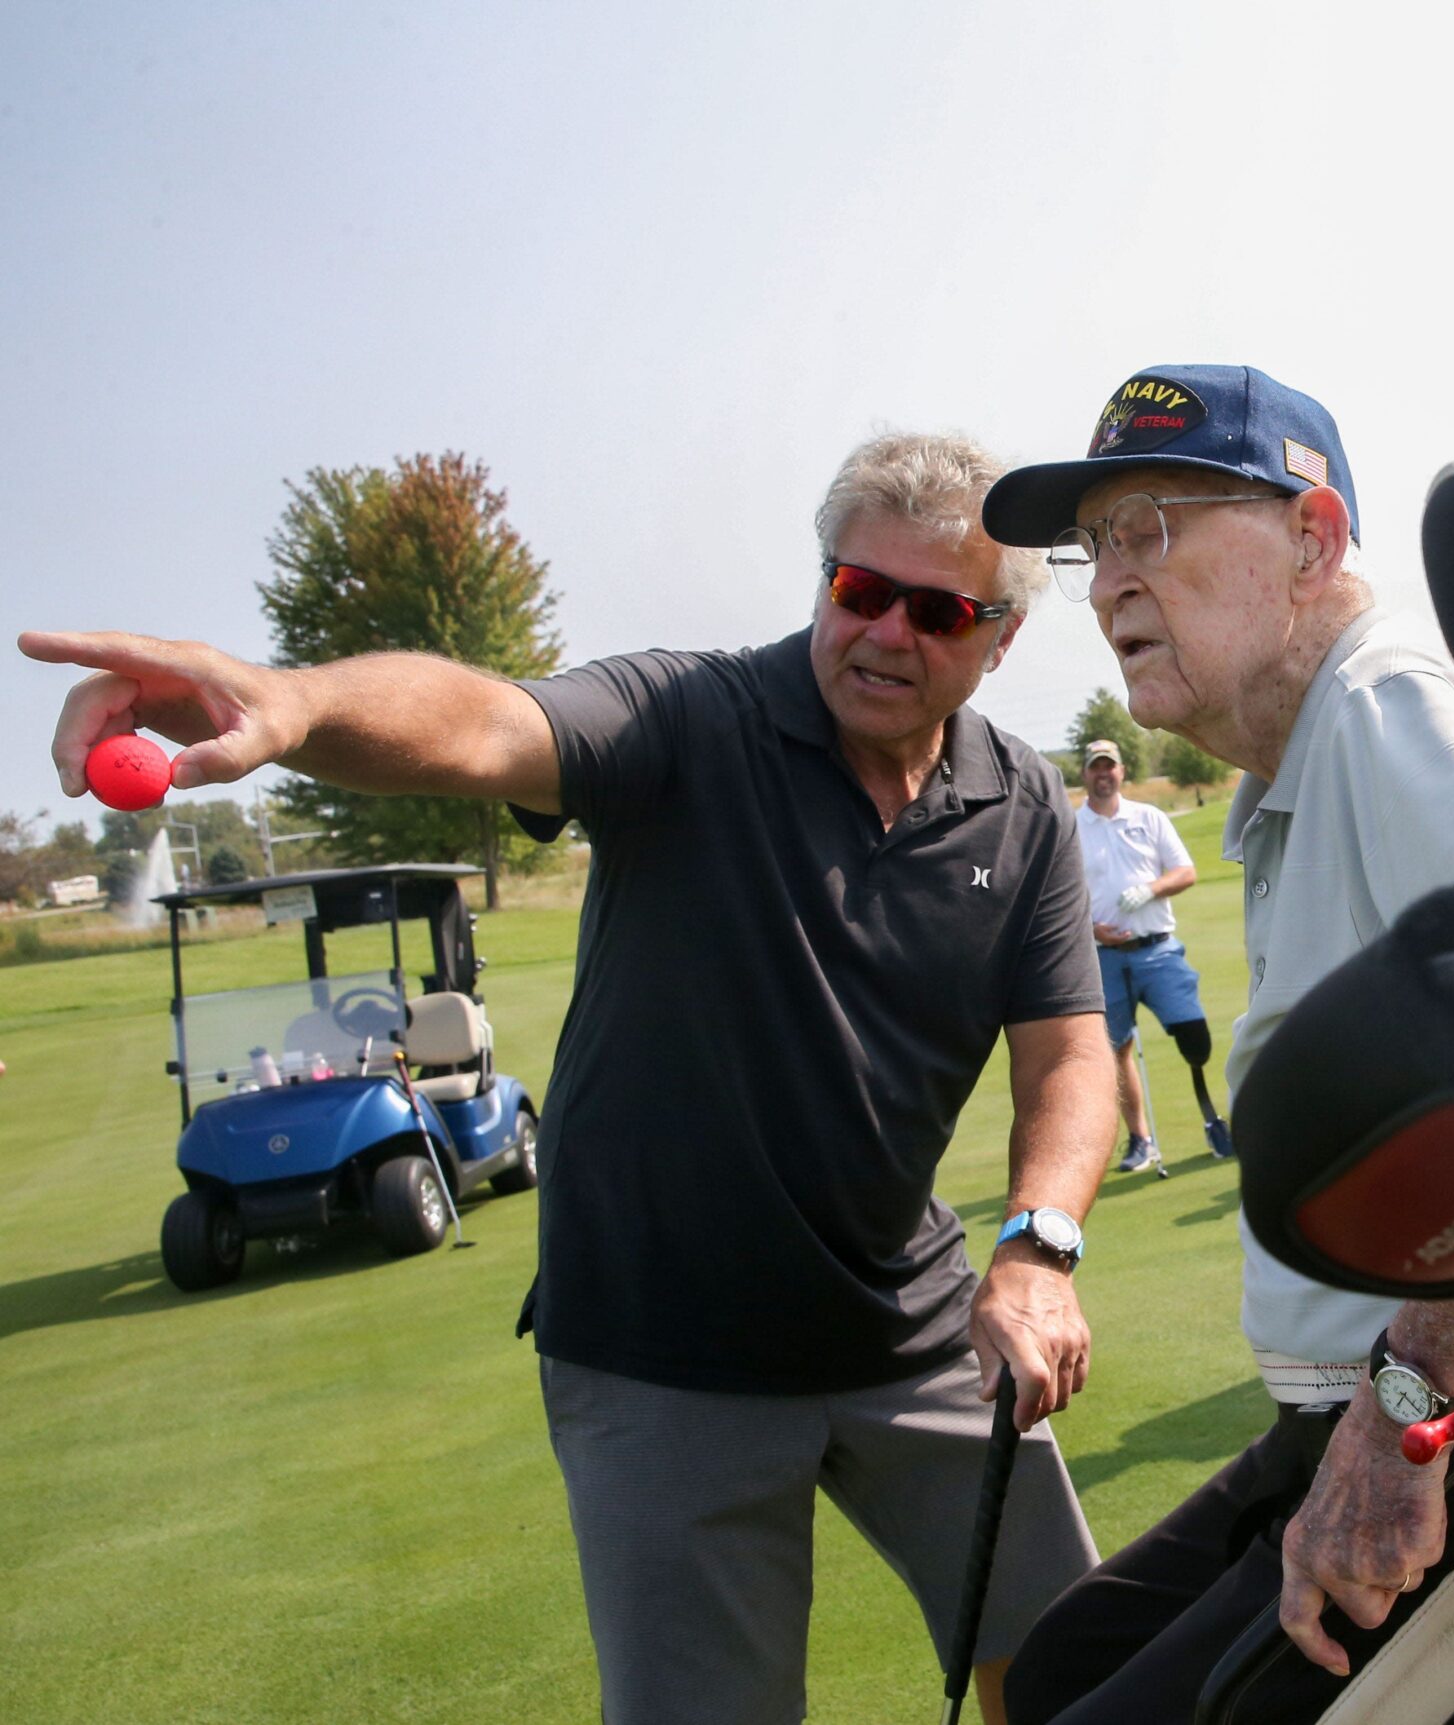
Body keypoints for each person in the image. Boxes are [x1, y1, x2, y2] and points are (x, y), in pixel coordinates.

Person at [20, 431, 1117, 1725]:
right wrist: (296, 704)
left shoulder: (1024, 805)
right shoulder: (690, 716)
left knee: (1074, 1666)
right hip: (663, 1346)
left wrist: (1039, 1247)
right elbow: (488, 722)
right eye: (857, 591)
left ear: (999, 641)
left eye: (936, 611)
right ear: (822, 581)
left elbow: (1068, 1055)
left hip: (916, 1330)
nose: (884, 632)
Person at [981, 366, 1454, 1722]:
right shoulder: (1301, 757)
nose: (1105, 586)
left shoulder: (1381, 713)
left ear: (1312, 540)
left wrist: (1404, 1405)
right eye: (1098, 548)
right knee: (1059, 1673)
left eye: (1153, 527)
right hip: (1354, 1401)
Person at [1074, 736, 1234, 1174]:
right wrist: (1091, 930)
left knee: (1194, 1039)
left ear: (1122, 771)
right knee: (1116, 1051)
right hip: (1102, 957)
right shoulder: (1069, 828)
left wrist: (1150, 888)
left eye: (1110, 766)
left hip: (1158, 950)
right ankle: (1140, 1140)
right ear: (1085, 774)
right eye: (1095, 767)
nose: (1103, 773)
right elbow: (1056, 899)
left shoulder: (1149, 817)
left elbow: (1185, 871)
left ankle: (1212, 1119)